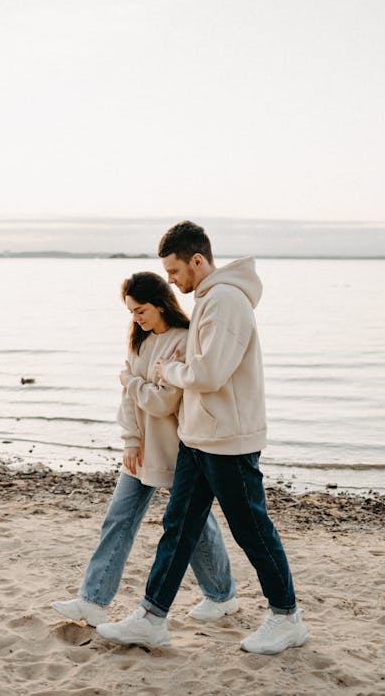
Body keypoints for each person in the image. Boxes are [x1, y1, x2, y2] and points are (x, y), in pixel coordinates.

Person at [96, 222, 309, 654]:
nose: (171, 282)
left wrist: (164, 371)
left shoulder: (227, 301)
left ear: (197, 260)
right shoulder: (212, 300)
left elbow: (209, 373)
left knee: (252, 530)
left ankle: (287, 618)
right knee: (178, 528)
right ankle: (153, 618)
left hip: (228, 440)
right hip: (198, 438)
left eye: (174, 271)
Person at [52, 271, 237, 631]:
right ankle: (92, 601)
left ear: (161, 304)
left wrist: (132, 382)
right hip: (141, 451)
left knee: (195, 526)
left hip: (176, 449)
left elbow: (165, 402)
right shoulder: (138, 342)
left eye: (140, 310)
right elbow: (131, 400)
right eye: (131, 311)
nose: (135, 318)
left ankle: (221, 595)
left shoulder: (184, 341)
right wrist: (130, 439)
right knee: (119, 519)